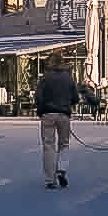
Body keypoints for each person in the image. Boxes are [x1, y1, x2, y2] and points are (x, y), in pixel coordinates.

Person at [35, 52, 77, 190]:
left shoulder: (45, 78)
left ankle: (50, 179)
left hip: (47, 114)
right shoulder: (68, 78)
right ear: (62, 62)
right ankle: (61, 169)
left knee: (49, 145)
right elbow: (75, 98)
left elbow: (38, 97)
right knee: (64, 144)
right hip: (64, 114)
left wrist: (40, 111)